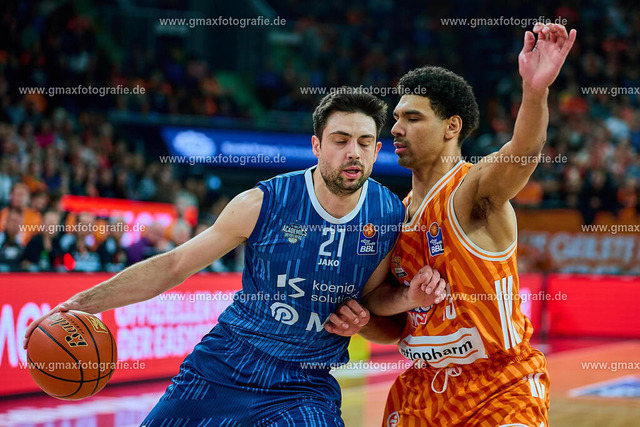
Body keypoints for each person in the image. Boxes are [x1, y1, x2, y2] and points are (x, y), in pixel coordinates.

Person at [24, 91, 448, 426]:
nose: (353, 152)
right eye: (341, 140)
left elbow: (372, 305)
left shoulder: (388, 214)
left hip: (305, 384)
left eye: (364, 142)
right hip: (226, 364)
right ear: (317, 146)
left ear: (376, 150)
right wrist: (81, 303)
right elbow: (173, 266)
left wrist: (387, 308)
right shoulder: (262, 202)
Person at [365, 23, 576, 426]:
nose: (396, 128)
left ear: (452, 127)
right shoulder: (393, 214)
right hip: (421, 390)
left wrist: (535, 92)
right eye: (396, 117)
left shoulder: (472, 191)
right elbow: (382, 312)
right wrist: (396, 302)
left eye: (412, 118)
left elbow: (522, 152)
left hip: (500, 386)